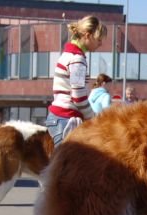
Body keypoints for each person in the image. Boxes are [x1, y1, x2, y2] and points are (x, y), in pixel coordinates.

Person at [46, 15, 107, 147]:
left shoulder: (68, 55)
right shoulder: (77, 60)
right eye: (99, 39)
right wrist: (93, 117)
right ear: (88, 35)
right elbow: (78, 97)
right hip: (66, 119)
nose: (100, 43)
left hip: (59, 116)